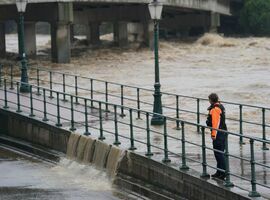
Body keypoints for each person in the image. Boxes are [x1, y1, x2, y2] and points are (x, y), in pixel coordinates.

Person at [206, 93, 227, 180]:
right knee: (219, 153)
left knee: (218, 153)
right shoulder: (220, 106)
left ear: (211, 100)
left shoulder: (215, 109)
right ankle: (219, 172)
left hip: (218, 134)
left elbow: (216, 123)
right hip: (222, 132)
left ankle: (223, 173)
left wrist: (214, 134)